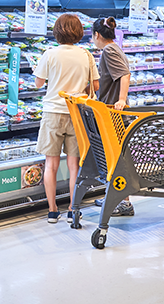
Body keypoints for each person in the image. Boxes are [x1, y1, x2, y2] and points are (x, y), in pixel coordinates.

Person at [33, 13, 99, 224]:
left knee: (51, 164)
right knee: (74, 166)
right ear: (79, 32)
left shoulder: (50, 54)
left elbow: (38, 83)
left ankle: (53, 211)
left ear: (57, 32)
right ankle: (73, 209)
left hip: (53, 112)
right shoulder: (86, 55)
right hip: (76, 113)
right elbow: (95, 86)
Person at [90, 17, 134, 216]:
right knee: (114, 158)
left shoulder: (109, 50)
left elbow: (124, 74)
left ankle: (124, 202)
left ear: (97, 35)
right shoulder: (114, 48)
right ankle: (114, 196)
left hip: (115, 115)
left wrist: (121, 99)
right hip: (113, 113)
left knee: (116, 159)